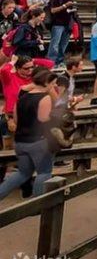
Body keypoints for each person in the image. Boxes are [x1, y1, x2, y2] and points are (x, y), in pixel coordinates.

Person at [0, 69, 56, 199]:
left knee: (23, 173)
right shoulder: (44, 98)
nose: (54, 86)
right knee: (44, 172)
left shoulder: (22, 98)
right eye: (52, 84)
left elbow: (16, 120)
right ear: (46, 83)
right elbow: (43, 119)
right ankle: (37, 203)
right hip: (38, 141)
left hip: (20, 141)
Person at [46, 0, 76, 68]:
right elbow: (53, 10)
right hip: (57, 23)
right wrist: (64, 6)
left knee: (63, 44)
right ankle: (52, 61)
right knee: (55, 44)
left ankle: (60, 60)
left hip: (68, 23)